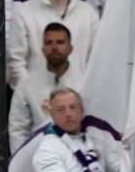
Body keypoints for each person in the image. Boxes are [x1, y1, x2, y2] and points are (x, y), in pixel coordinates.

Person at [8, 22, 85, 151]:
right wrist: (20, 163)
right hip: (39, 154)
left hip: (79, 153)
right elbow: (18, 128)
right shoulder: (27, 84)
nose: (54, 47)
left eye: (60, 42)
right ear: (43, 49)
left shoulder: (84, 81)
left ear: (70, 48)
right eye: (49, 43)